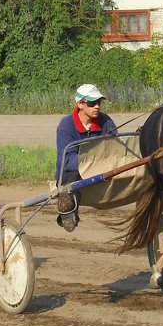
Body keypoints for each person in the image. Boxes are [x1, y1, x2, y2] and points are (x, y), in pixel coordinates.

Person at [53, 84, 116, 229]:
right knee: (71, 174)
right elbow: (67, 161)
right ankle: (68, 209)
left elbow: (115, 149)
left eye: (99, 103)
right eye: (92, 103)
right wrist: (95, 162)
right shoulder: (66, 125)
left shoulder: (106, 121)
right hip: (73, 174)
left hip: (102, 170)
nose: (97, 107)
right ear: (80, 104)